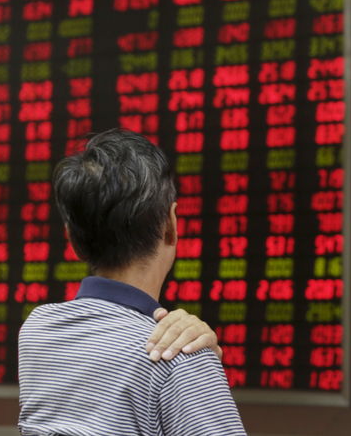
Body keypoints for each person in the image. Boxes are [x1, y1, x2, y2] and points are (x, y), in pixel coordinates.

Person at [18, 129, 246, 435]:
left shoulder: (36, 331)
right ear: (170, 225)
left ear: (72, 239)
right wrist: (198, 366)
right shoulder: (177, 354)